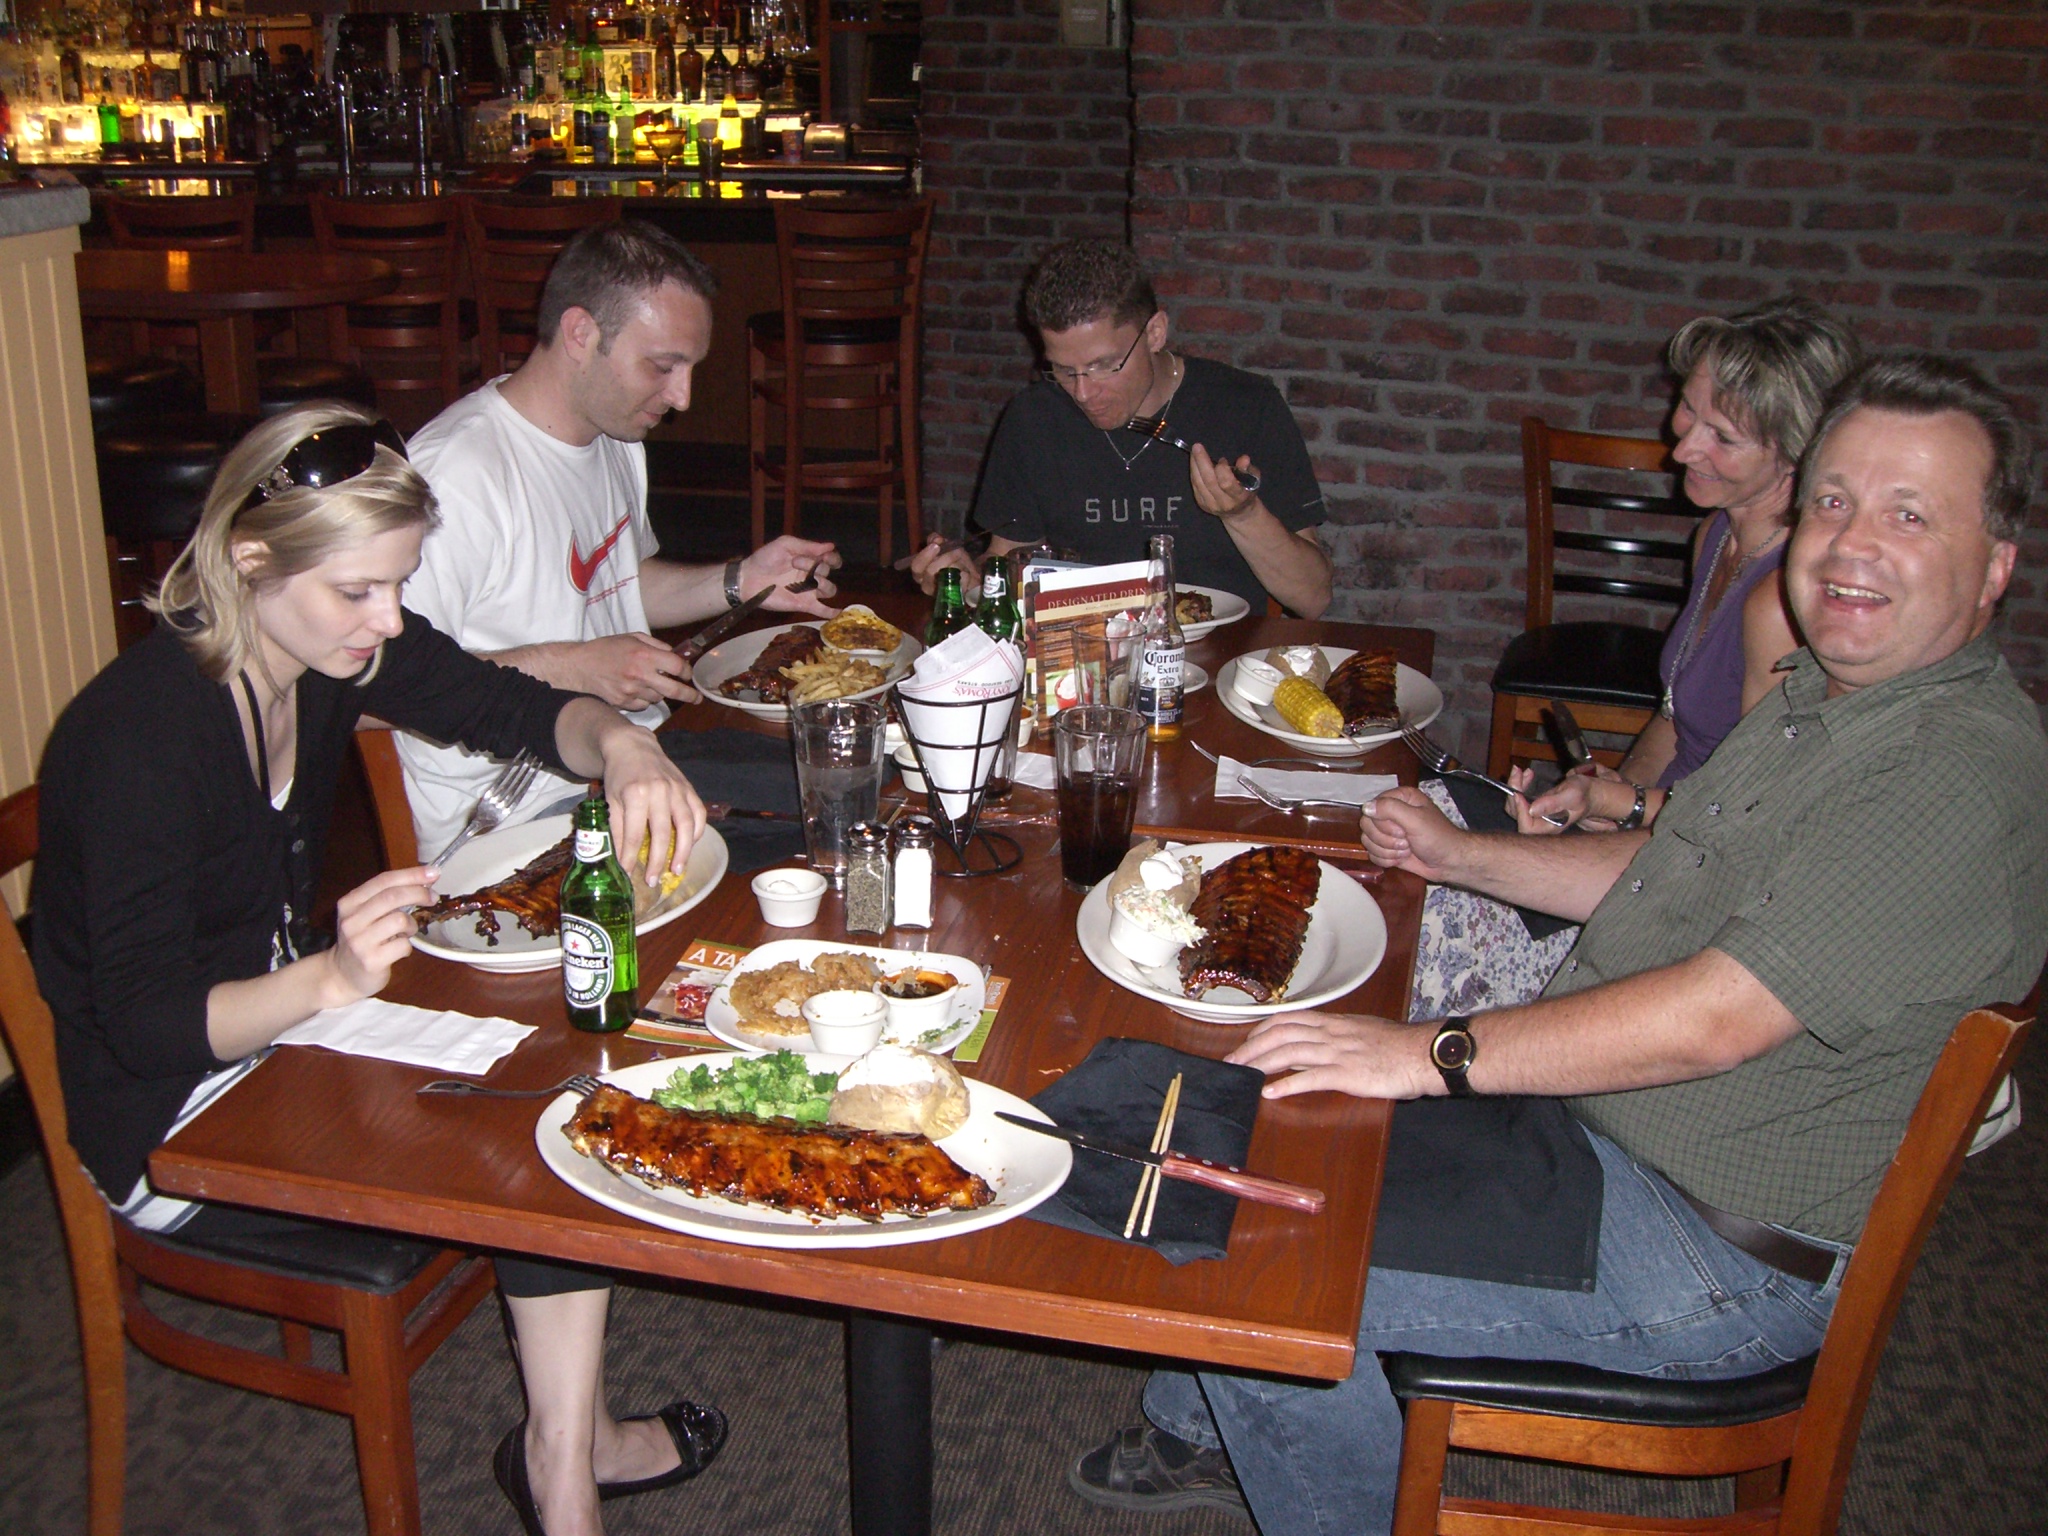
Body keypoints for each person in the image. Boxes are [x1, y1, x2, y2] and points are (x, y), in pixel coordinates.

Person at [1068, 353, 2048, 1533]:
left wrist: (1422, 1053)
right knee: (1264, 1122)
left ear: (1993, 565)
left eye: (1907, 515)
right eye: (1832, 502)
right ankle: (1217, 1428)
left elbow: (1718, 1014)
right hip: (1605, 1142)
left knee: (1259, 1269)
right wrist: (1459, 855)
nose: (1848, 545)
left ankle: (1269, 1435)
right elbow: (1662, 870)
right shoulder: (1823, 702)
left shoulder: (1948, 771)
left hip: (1713, 1253)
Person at [32, 404, 723, 1536]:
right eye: (358, 591)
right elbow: (149, 1029)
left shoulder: (313, 653)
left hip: (282, 1039)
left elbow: (515, 707)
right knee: (534, 1147)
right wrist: (332, 981)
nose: (387, 619)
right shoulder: (138, 740)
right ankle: (570, 1472)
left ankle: (569, 1453)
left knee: (559, 1075)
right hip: (171, 1122)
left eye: (397, 586)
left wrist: (628, 745)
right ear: (250, 560)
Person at [1412, 296, 1857, 1019]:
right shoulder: (1715, 537)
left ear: (1798, 456)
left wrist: (1626, 809)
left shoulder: (1780, 603)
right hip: (1646, 835)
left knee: (1426, 923)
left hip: (1686, 892)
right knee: (1421, 811)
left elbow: (1746, 825)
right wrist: (1596, 791)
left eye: (1724, 436)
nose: (1683, 447)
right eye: (1689, 410)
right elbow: (1676, 717)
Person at [398, 219, 842, 860]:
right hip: (520, 815)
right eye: (663, 367)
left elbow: (619, 586)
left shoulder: (612, 437)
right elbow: (370, 693)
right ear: (581, 333)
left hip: (634, 758)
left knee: (861, 783)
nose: (682, 398)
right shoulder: (455, 477)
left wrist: (742, 580)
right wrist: (573, 667)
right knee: (827, 855)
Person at [909, 240, 1333, 617]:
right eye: (1063, 370)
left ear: (1154, 332)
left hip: (1220, 659)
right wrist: (970, 582)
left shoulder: (1246, 406)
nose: (1083, 392)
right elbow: (1009, 560)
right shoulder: (1033, 418)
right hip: (1078, 664)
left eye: (1103, 366)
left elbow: (1312, 599)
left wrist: (1243, 514)